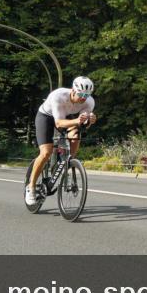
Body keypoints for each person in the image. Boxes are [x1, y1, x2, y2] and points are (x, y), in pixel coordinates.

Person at [26, 77, 98, 205]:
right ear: (73, 90)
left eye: (86, 95)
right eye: (81, 94)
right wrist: (77, 121)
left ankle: (64, 163)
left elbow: (83, 124)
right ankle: (31, 187)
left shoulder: (89, 102)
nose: (83, 98)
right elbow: (58, 123)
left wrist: (89, 121)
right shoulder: (58, 96)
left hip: (69, 117)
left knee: (75, 137)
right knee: (46, 152)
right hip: (47, 117)